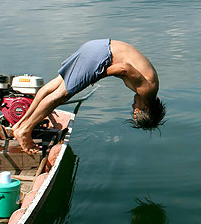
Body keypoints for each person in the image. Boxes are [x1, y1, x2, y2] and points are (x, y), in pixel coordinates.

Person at [12, 39, 165, 154]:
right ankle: (25, 130)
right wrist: (97, 75)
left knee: (53, 86)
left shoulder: (149, 89)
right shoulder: (147, 90)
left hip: (97, 48)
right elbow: (125, 68)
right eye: (135, 111)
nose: (133, 106)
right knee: (60, 96)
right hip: (101, 55)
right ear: (145, 108)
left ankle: (21, 124)